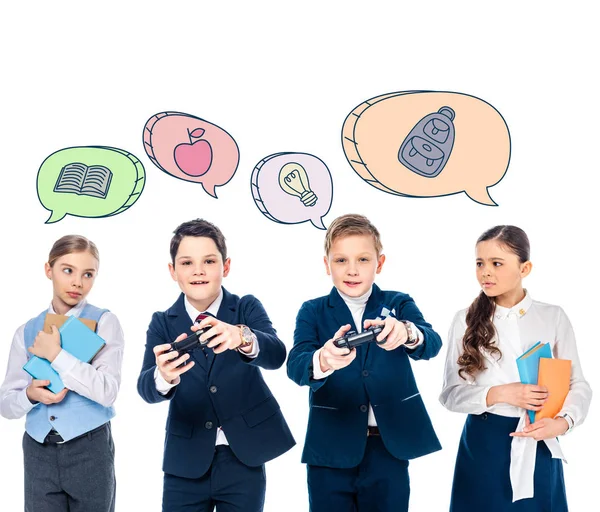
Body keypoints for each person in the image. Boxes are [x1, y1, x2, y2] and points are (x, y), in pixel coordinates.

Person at [137, 218, 295, 512]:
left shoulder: (245, 307)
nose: (198, 270)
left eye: (209, 261)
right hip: (185, 460)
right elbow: (145, 388)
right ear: (173, 271)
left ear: (226, 266)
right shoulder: (162, 321)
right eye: (187, 263)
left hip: (244, 454)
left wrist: (241, 335)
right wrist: (164, 376)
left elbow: (275, 354)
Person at [287, 213, 442, 512]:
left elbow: (431, 342)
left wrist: (407, 332)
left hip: (389, 447)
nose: (352, 270)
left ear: (379, 263)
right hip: (329, 449)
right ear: (327, 264)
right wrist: (324, 359)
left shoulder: (398, 303)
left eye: (363, 259)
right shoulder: (312, 310)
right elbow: (296, 364)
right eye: (341, 260)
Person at [440, 225, 592, 511]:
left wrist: (563, 422)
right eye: (479, 263)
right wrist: (501, 393)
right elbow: (450, 395)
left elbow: (578, 384)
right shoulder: (465, 320)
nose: (486, 272)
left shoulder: (553, 317)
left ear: (525, 268)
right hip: (484, 442)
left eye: (497, 263)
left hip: (539, 436)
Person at [0, 234, 124, 512]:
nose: (78, 282)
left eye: (88, 274)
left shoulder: (104, 322)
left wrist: (57, 355)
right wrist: (29, 396)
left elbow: (107, 391)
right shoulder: (26, 331)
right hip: (37, 450)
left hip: (89, 449)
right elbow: (6, 404)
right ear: (49, 270)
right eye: (68, 270)